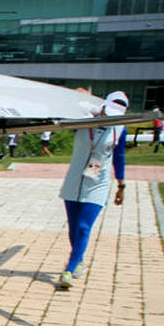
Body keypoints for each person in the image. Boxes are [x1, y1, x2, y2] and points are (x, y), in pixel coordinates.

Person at [56, 91, 128, 289]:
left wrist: (121, 187)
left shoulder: (120, 129)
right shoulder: (82, 121)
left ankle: (69, 269)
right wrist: (90, 104)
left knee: (83, 227)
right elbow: (73, 101)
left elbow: (119, 157)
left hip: (98, 182)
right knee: (73, 228)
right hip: (74, 180)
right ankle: (78, 259)